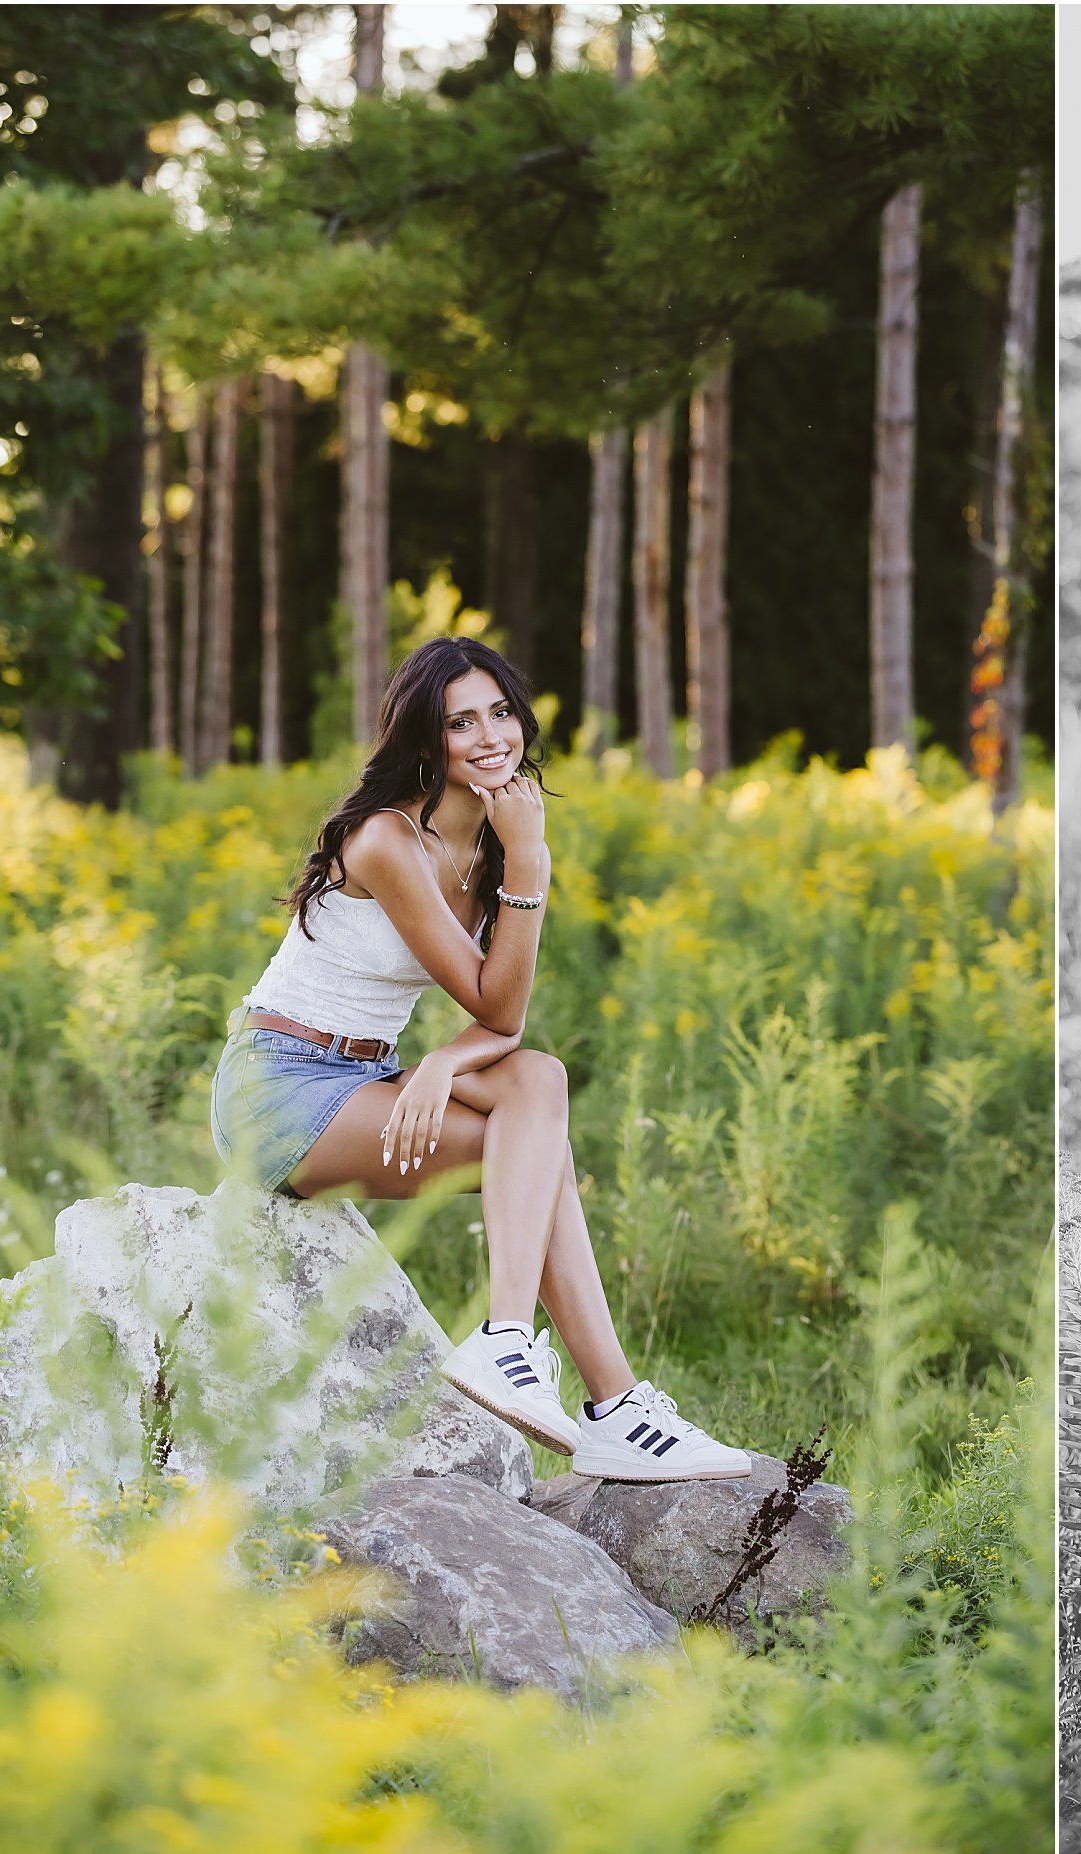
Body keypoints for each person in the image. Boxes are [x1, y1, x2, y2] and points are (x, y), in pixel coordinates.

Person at [208, 633, 751, 1481]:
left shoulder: (499, 837)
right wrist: (530, 863)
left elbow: (508, 1019)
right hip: (279, 1082)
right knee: (537, 1145)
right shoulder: (386, 840)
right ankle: (564, 1377)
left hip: (367, 1078)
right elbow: (489, 1004)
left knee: (540, 1083)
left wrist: (438, 1064)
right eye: (463, 722)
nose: (492, 735)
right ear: (429, 741)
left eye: (501, 711)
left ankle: (595, 1397)